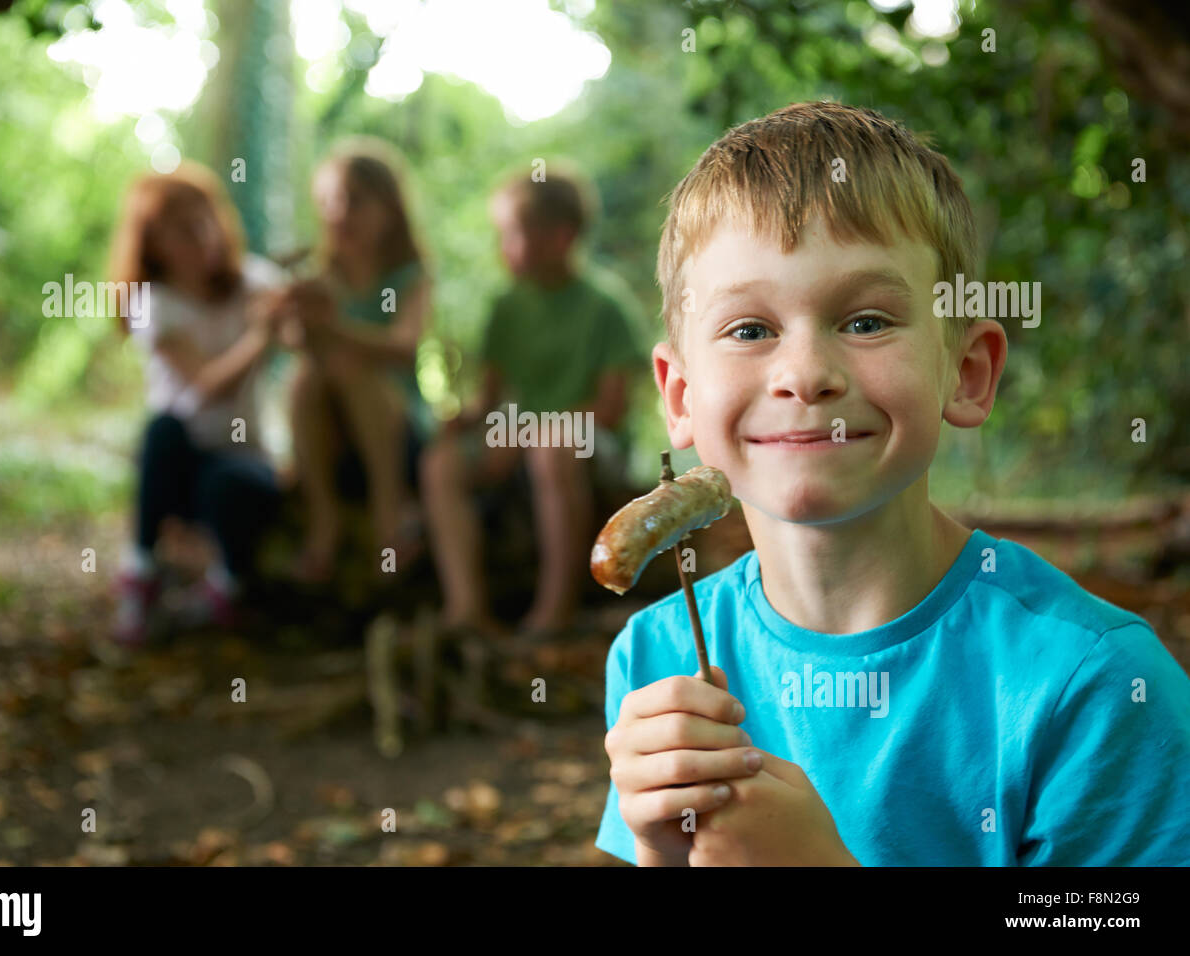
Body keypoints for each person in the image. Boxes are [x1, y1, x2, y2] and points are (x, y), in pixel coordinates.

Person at [597, 101, 1190, 865]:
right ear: (679, 396)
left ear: (967, 373)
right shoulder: (658, 655)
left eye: (868, 321)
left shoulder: (1097, 687)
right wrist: (663, 852)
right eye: (750, 330)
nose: (806, 375)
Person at [420, 165, 646, 636]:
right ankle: (466, 609)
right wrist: (462, 423)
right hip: (524, 436)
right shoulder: (506, 307)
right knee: (441, 464)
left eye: (513, 235)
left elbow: (611, 409)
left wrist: (526, 432)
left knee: (552, 447)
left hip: (585, 446)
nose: (503, 248)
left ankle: (553, 612)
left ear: (560, 237)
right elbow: (490, 399)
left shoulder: (606, 307)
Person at [109, 163, 290, 645]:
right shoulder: (154, 303)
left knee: (232, 481)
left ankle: (227, 586)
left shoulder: (255, 280)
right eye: (185, 230)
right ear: (155, 245)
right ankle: (140, 569)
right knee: (162, 430)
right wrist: (259, 337)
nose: (203, 237)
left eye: (206, 221)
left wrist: (295, 309)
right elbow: (208, 386)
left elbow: (296, 331)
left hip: (245, 460)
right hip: (180, 465)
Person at [287, 139, 433, 584]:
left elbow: (404, 345)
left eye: (352, 201)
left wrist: (332, 328)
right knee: (307, 378)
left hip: (400, 430)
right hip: (335, 434)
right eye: (329, 201)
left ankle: (389, 515)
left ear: (387, 209)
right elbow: (298, 347)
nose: (338, 213)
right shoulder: (317, 277)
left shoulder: (411, 277)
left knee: (348, 367)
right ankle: (324, 518)